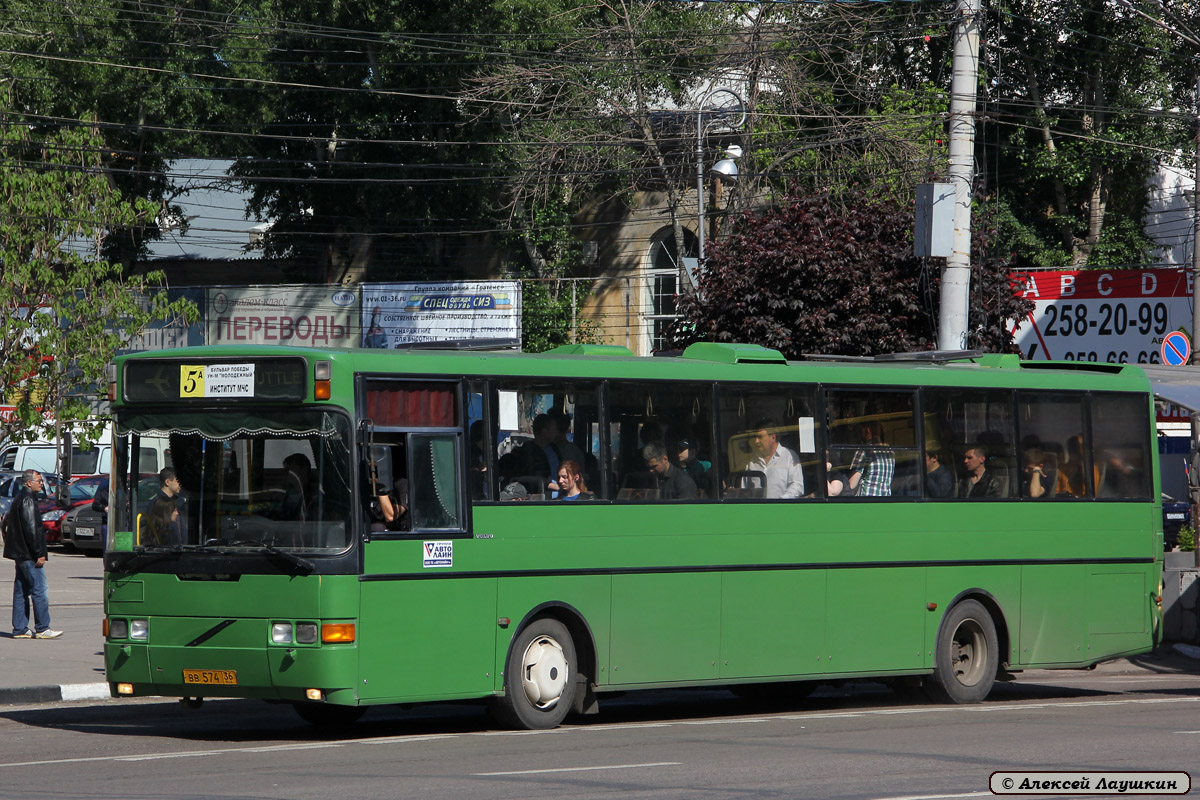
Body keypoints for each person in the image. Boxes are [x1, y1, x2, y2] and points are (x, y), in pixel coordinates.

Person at [4, 470, 61, 639]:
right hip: (28, 554)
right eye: (38, 480)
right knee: (39, 589)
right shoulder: (28, 500)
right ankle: (43, 627)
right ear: (29, 483)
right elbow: (31, 530)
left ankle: (20, 628)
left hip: (20, 553)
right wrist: (40, 553)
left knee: (21, 590)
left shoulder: (21, 498)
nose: (42, 483)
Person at [743, 418, 804, 499]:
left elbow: (797, 486)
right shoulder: (752, 461)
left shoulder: (789, 456)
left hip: (782, 510)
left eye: (760, 437)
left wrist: (780, 502)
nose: (756, 441)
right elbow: (744, 490)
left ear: (773, 438)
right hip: (757, 510)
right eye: (755, 437)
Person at [848, 421, 894, 497]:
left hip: (866, 501)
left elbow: (852, 485)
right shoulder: (890, 451)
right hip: (885, 501)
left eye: (860, 431)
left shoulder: (864, 451)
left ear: (867, 430)